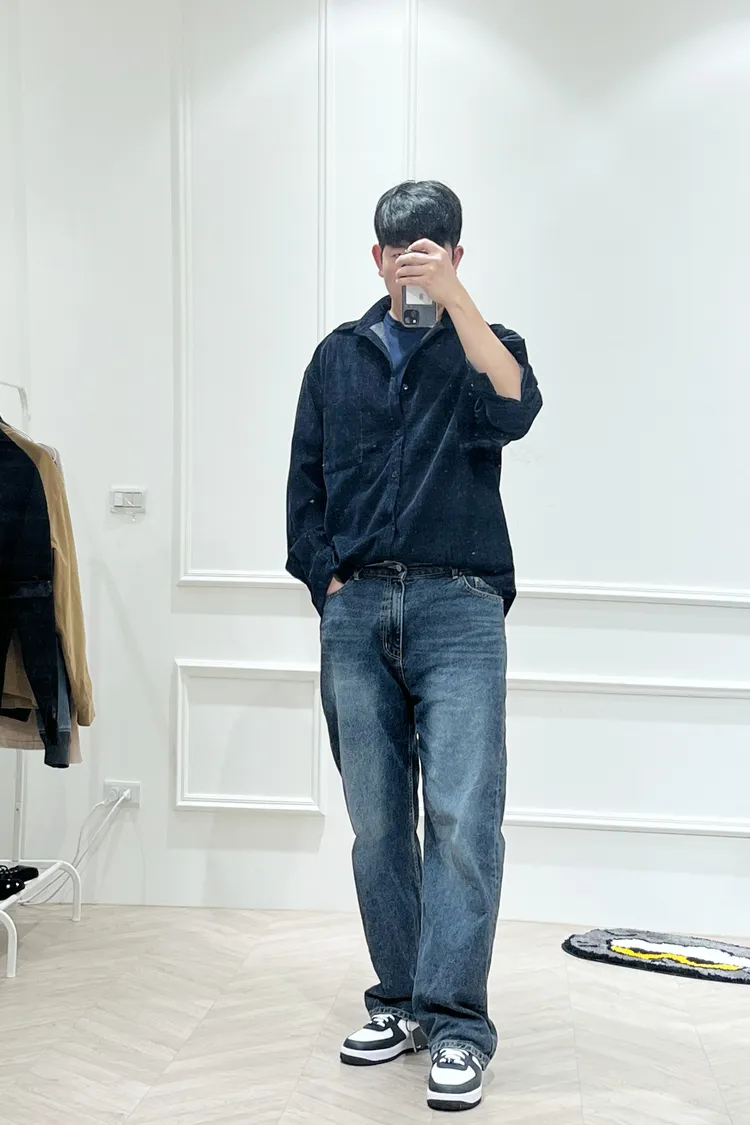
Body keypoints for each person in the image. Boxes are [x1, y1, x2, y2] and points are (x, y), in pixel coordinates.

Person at [285, 180, 542, 1112]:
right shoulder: (337, 356)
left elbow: (516, 406)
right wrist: (327, 579)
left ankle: (458, 1022)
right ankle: (399, 998)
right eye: (399, 249)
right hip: (357, 613)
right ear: (376, 257)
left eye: (432, 248)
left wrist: (457, 303)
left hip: (458, 606)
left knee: (465, 820)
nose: (413, 262)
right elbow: (304, 483)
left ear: (457, 254)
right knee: (379, 824)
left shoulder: (485, 346)